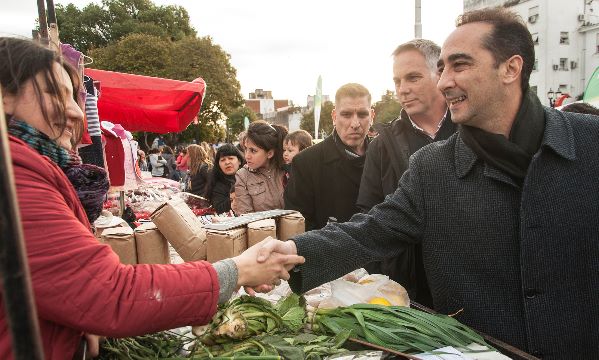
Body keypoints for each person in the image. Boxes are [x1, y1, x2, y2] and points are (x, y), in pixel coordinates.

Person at [257, 8, 599, 358]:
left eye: (460, 65)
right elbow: (369, 231)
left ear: (511, 68)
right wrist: (291, 253)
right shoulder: (433, 168)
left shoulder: (590, 143)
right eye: (442, 68)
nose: (444, 81)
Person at [0, 37, 305, 359]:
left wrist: (76, 322)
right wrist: (236, 271)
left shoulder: (25, 166)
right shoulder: (13, 175)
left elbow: (64, 288)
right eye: (55, 94)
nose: (76, 112)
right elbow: (108, 292)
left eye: (74, 97)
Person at [357, 39, 457, 307]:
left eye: (413, 78)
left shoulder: (469, 130)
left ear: (440, 73)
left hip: (465, 282)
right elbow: (370, 213)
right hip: (407, 287)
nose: (403, 89)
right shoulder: (382, 145)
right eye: (397, 81)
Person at [284, 83, 374, 230]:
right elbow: (299, 225)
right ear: (334, 116)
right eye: (346, 114)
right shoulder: (306, 162)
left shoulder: (386, 157)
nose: (355, 123)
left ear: (372, 116)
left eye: (362, 114)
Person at [234, 121, 288, 214]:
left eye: (253, 151)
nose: (247, 156)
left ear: (270, 153)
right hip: (260, 228)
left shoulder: (286, 170)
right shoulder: (243, 176)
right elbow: (245, 217)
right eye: (246, 149)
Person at [205, 143, 245, 213]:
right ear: (218, 165)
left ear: (239, 161)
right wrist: (235, 197)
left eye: (231, 158)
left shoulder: (251, 176)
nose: (227, 162)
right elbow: (219, 209)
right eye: (223, 160)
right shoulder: (217, 185)